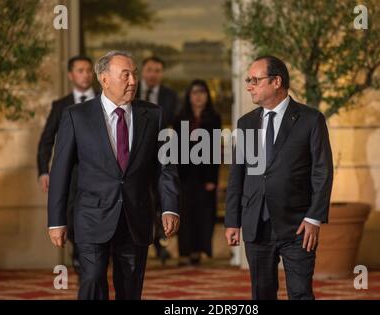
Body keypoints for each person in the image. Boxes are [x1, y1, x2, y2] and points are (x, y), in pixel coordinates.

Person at [47, 51, 180, 300]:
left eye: (134, 74)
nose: (133, 81)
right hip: (91, 217)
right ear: (104, 79)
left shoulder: (154, 115)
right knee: (93, 279)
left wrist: (170, 207)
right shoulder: (76, 116)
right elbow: (60, 171)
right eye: (125, 75)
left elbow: (166, 167)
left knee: (130, 288)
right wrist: (56, 220)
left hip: (135, 217)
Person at [225, 56, 333, 300]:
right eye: (248, 80)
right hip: (256, 224)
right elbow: (237, 174)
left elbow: (322, 171)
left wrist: (314, 217)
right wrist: (233, 220)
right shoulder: (246, 123)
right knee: (261, 295)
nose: (249, 85)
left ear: (276, 81)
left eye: (255, 80)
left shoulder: (310, 119)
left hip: (298, 226)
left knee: (300, 293)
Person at [37, 55, 97, 275]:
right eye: (80, 70)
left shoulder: (103, 101)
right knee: (73, 223)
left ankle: (89, 265)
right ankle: (81, 260)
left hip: (99, 177)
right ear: (71, 75)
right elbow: (46, 140)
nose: (86, 74)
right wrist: (44, 171)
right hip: (71, 178)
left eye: (89, 70)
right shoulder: (61, 106)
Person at [173, 79, 221, 266]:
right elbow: (174, 149)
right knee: (184, 215)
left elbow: (215, 151)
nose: (198, 96)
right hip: (184, 174)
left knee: (203, 215)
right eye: (194, 92)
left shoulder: (214, 118)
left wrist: (212, 179)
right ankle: (184, 252)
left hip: (205, 175)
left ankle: (198, 251)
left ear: (207, 95)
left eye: (202, 92)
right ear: (189, 96)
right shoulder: (180, 118)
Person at [137, 56, 179, 264]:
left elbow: (173, 125)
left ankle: (160, 242)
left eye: (157, 70)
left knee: (160, 199)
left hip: (162, 153)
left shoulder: (170, 96)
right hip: (136, 156)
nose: (153, 74)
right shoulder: (132, 92)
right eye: (150, 70)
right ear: (143, 72)